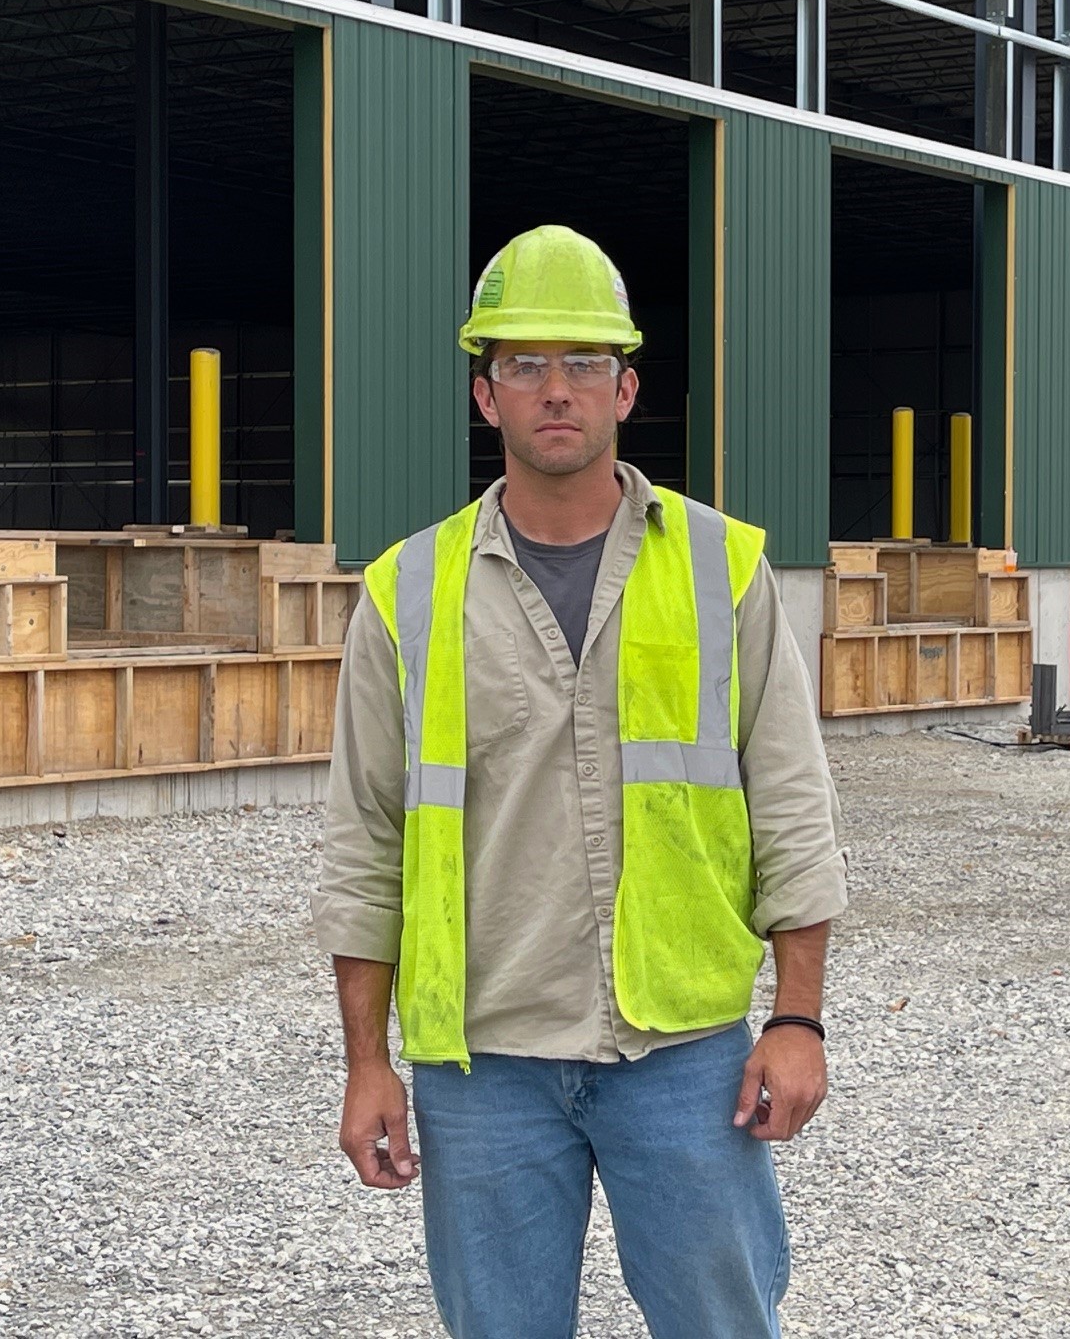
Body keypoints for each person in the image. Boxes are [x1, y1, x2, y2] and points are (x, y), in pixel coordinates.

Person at [312, 223, 848, 1339]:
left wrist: (798, 1018)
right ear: (486, 396)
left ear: (626, 389)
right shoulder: (407, 593)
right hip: (485, 1065)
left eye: (583, 364)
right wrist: (368, 1063)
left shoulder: (724, 569)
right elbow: (366, 845)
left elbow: (794, 808)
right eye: (524, 364)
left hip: (686, 1057)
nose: (556, 389)